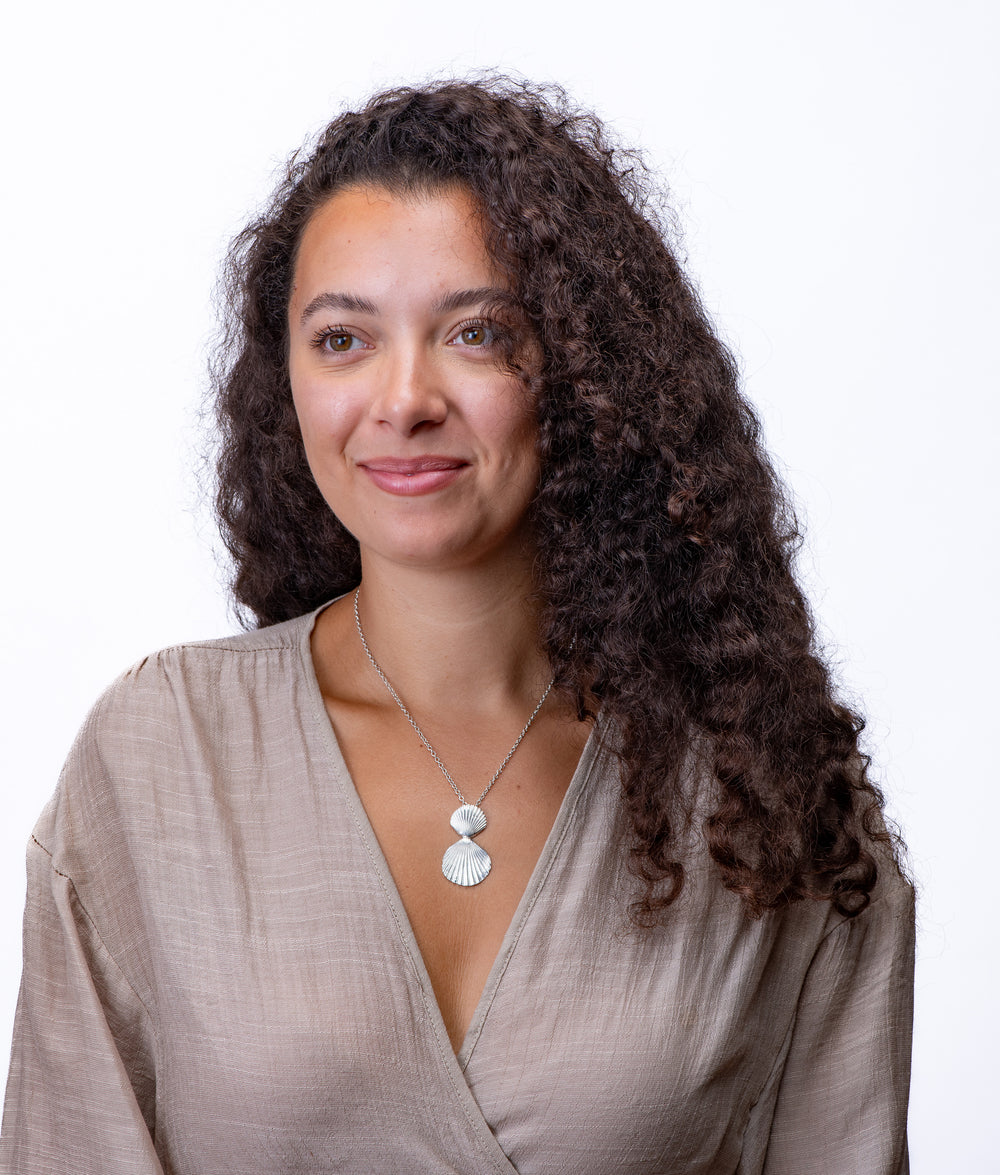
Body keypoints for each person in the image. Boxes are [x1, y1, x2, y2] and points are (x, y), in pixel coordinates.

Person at [0, 78, 914, 1174]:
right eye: (342, 338)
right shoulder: (162, 751)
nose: (403, 398)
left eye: (476, 332)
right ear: (284, 381)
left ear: (585, 372)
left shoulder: (767, 791)